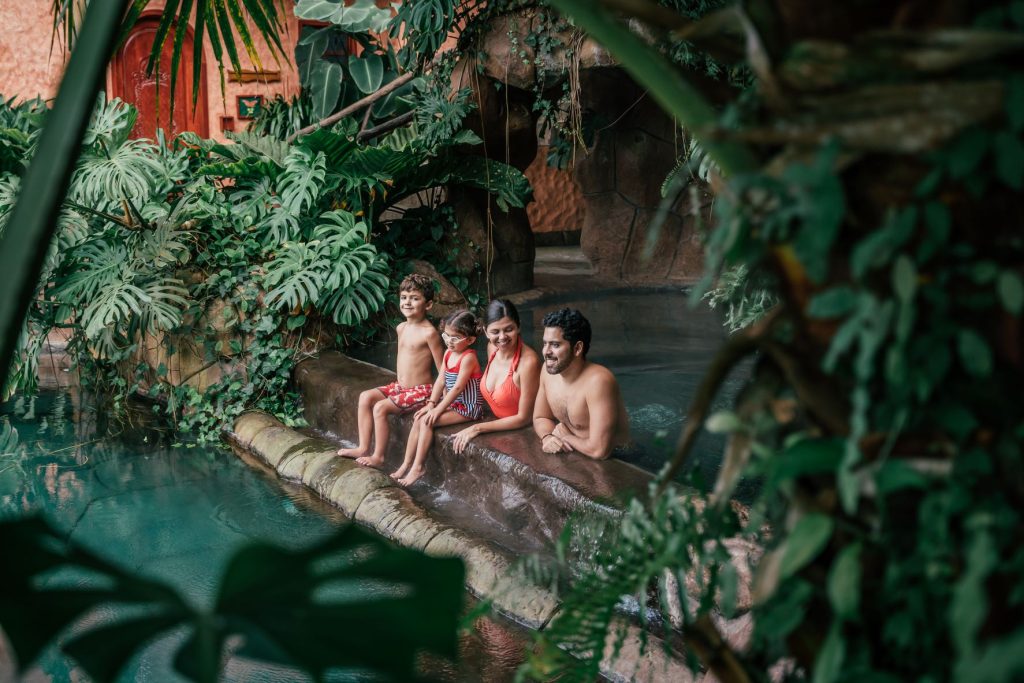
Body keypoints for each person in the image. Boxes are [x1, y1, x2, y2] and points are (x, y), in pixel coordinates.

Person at [337, 274, 444, 466]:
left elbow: (442, 367)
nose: (408, 303)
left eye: (415, 298)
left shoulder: (429, 333)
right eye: (404, 297)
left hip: (421, 391)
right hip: (401, 387)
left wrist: (439, 400)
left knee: (380, 407)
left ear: (428, 305)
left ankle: (379, 456)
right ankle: (363, 447)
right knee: (365, 397)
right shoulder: (401, 327)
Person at [391, 309, 484, 485]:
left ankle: (418, 467)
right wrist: (431, 404)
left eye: (455, 338)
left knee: (427, 421)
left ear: (470, 340)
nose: (449, 341)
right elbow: (440, 379)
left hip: (468, 407)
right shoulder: (449, 353)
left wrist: (438, 409)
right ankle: (406, 464)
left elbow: (457, 388)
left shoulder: (468, 358)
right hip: (453, 403)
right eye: (446, 336)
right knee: (420, 417)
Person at [532, 308, 629, 459]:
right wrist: (548, 437)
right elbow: (540, 417)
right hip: (582, 450)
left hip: (621, 458)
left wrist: (566, 437)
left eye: (555, 345)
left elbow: (600, 451)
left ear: (577, 348)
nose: (546, 351)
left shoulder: (598, 381)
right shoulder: (547, 371)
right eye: (545, 343)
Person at [451, 299, 541, 454]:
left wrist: (478, 428)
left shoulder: (528, 362)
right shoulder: (492, 348)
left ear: (518, 326)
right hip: (497, 421)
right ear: (485, 331)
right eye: (495, 331)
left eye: (509, 329)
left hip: (519, 435)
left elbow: (524, 418)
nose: (502, 337)